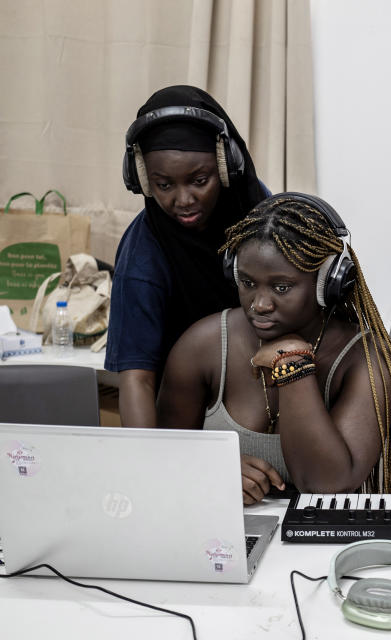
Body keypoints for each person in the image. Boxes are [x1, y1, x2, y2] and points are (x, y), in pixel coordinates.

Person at [156, 193, 391, 503]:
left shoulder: (366, 359)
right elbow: (159, 459)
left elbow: (326, 486)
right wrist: (211, 470)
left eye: (281, 287)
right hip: (221, 536)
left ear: (328, 282)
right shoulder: (202, 345)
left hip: (317, 544)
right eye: (247, 283)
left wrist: (293, 367)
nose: (259, 304)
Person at [105, 85, 269, 427]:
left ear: (226, 166)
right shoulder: (143, 256)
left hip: (271, 395)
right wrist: (157, 466)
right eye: (164, 185)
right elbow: (137, 379)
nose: (183, 199)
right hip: (183, 417)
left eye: (199, 180)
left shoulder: (261, 213)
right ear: (143, 181)